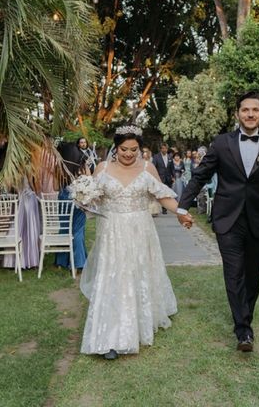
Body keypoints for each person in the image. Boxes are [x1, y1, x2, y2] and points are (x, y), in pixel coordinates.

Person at [177, 92, 259, 353]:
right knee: (234, 272)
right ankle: (243, 330)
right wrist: (183, 206)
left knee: (253, 277)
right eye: (245, 110)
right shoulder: (221, 143)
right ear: (237, 114)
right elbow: (200, 176)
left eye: (255, 110)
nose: (250, 114)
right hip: (227, 219)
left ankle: (245, 318)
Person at [79, 126, 184, 360]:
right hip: (112, 233)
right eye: (124, 149)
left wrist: (182, 212)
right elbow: (93, 197)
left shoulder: (147, 168)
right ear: (116, 148)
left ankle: (139, 321)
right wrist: (82, 197)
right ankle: (110, 338)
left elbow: (162, 196)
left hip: (140, 230)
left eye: (133, 149)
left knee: (137, 274)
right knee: (113, 277)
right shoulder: (103, 168)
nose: (128, 154)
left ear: (140, 149)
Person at [55, 143, 88, 271]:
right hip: (78, 200)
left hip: (64, 200)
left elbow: (55, 187)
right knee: (78, 230)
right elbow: (88, 181)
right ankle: (79, 262)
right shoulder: (82, 164)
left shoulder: (59, 167)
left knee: (64, 228)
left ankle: (61, 261)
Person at [153, 142, 174, 214]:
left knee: (166, 193)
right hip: (159, 177)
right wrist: (155, 177)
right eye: (163, 148)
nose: (164, 150)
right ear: (161, 149)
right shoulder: (156, 157)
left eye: (166, 148)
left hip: (168, 178)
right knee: (159, 193)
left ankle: (164, 208)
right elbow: (153, 167)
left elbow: (172, 168)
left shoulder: (170, 157)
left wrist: (173, 176)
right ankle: (158, 207)